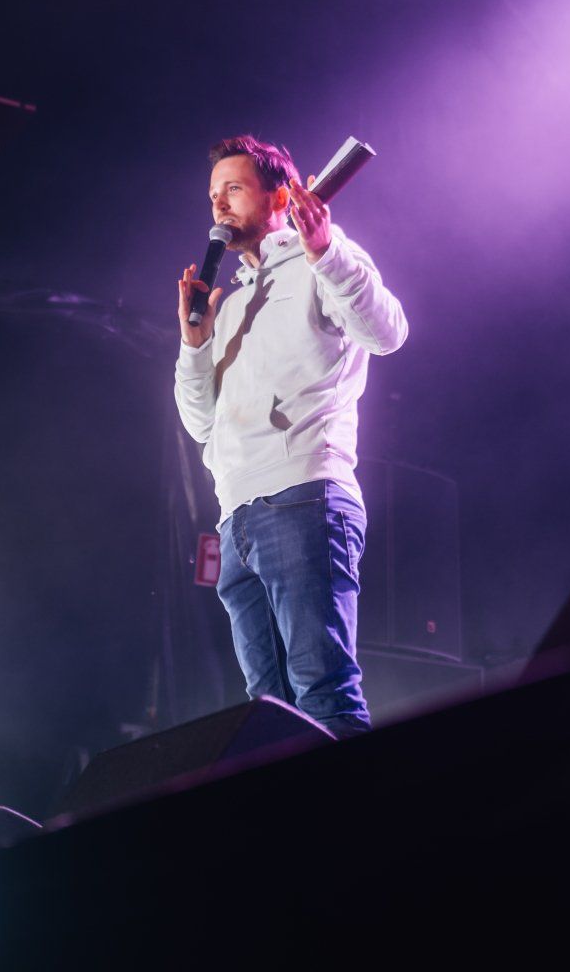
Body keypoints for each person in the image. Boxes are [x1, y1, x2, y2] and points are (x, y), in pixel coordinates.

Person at [173, 134, 409, 737]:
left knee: (324, 696)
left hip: (303, 494)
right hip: (237, 519)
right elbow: (201, 423)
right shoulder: (229, 306)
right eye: (213, 194)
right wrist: (194, 347)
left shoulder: (322, 259)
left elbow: (387, 333)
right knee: (268, 722)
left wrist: (325, 250)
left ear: (280, 196)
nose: (218, 204)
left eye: (233, 188)